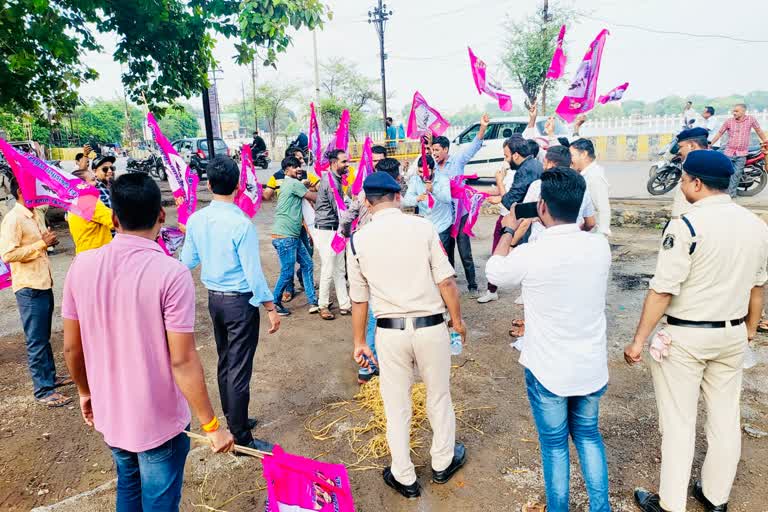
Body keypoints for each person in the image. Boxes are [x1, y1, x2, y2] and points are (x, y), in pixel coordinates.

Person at [62, 173, 234, 511]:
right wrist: (212, 426)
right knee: (158, 501)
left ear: (113, 219)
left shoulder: (81, 266)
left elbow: (72, 347)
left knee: (128, 484)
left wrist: (85, 391)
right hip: (158, 422)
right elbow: (182, 360)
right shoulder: (171, 273)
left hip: (110, 414)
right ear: (161, 215)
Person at [626, 150, 768, 512]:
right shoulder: (755, 224)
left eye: (685, 179)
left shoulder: (686, 225)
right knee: (724, 419)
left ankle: (672, 505)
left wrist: (639, 339)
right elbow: (757, 287)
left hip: (688, 336)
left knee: (678, 423)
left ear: (696, 183)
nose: (683, 184)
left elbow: (662, 290)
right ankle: (715, 496)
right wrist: (749, 330)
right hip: (732, 333)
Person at [486, 168, 612, 512]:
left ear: (542, 207)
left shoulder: (533, 253)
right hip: (589, 366)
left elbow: (494, 272)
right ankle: (601, 508)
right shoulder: (600, 246)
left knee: (555, 446)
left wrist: (510, 229)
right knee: (588, 436)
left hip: (548, 369)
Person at [348, 172, 468, 499]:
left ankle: (404, 475)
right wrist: (456, 320)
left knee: (396, 404)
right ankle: (443, 463)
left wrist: (360, 342)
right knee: (439, 396)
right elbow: (446, 282)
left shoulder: (357, 240)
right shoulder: (424, 227)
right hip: (431, 328)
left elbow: (359, 299)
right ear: (398, 196)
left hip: (390, 333)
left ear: (367, 201)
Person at [181, 156, 280, 452]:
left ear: (209, 184)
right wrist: (271, 307)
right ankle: (240, 435)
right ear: (238, 186)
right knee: (238, 367)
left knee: (227, 361)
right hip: (239, 303)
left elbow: (187, 261)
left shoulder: (196, 220)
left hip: (216, 301)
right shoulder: (240, 223)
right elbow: (253, 272)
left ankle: (236, 418)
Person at [0, 179, 71, 407]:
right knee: (36, 340)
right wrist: (41, 244)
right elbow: (8, 255)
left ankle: (50, 378)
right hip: (29, 287)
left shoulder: (32, 214)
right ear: (21, 191)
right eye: (33, 188)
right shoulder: (13, 219)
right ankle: (43, 390)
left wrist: (47, 241)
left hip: (42, 282)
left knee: (43, 336)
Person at [432, 114, 490, 296]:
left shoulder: (457, 160)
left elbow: (474, 146)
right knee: (445, 250)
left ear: (446, 150)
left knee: (464, 249)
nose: (434, 153)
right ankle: (450, 284)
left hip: (461, 213)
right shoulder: (432, 167)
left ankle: (472, 284)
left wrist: (482, 127)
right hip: (443, 215)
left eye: (437, 150)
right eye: (432, 150)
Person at [270, 156, 319, 316]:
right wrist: (327, 191)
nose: (298, 168)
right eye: (294, 167)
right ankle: (274, 302)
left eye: (299, 166)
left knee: (308, 264)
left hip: (291, 235)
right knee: (287, 272)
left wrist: (305, 185)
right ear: (286, 170)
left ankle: (313, 300)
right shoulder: (293, 184)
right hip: (286, 236)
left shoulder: (287, 184)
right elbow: (314, 198)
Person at [314, 149, 352, 320]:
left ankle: (345, 304)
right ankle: (322, 305)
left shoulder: (335, 180)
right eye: (344, 162)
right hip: (326, 230)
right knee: (329, 268)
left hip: (335, 229)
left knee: (339, 268)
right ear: (334, 163)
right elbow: (340, 209)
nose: (347, 164)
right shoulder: (331, 182)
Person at [710, 103, 767, 197]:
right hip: (729, 152)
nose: (734, 113)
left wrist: (765, 141)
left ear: (743, 111)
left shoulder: (751, 119)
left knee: (736, 174)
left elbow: (759, 130)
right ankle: (722, 193)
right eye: (733, 111)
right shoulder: (729, 121)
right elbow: (720, 133)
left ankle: (731, 195)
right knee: (726, 173)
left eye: (736, 111)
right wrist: (710, 144)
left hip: (742, 153)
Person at [569, 139, 611, 236]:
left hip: (593, 234)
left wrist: (601, 235)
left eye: (571, 155)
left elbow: (603, 209)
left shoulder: (594, 176)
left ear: (583, 154)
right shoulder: (584, 174)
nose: (569, 160)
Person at [68, 169, 114, 253]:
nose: (97, 183)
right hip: (98, 253)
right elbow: (114, 222)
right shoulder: (90, 202)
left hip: (84, 252)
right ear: (81, 185)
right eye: (93, 180)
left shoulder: (74, 201)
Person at [670, 127, 709, 218]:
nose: (679, 151)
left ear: (692, 146)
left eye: (680, 147)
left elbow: (684, 204)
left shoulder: (697, 167)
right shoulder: (710, 162)